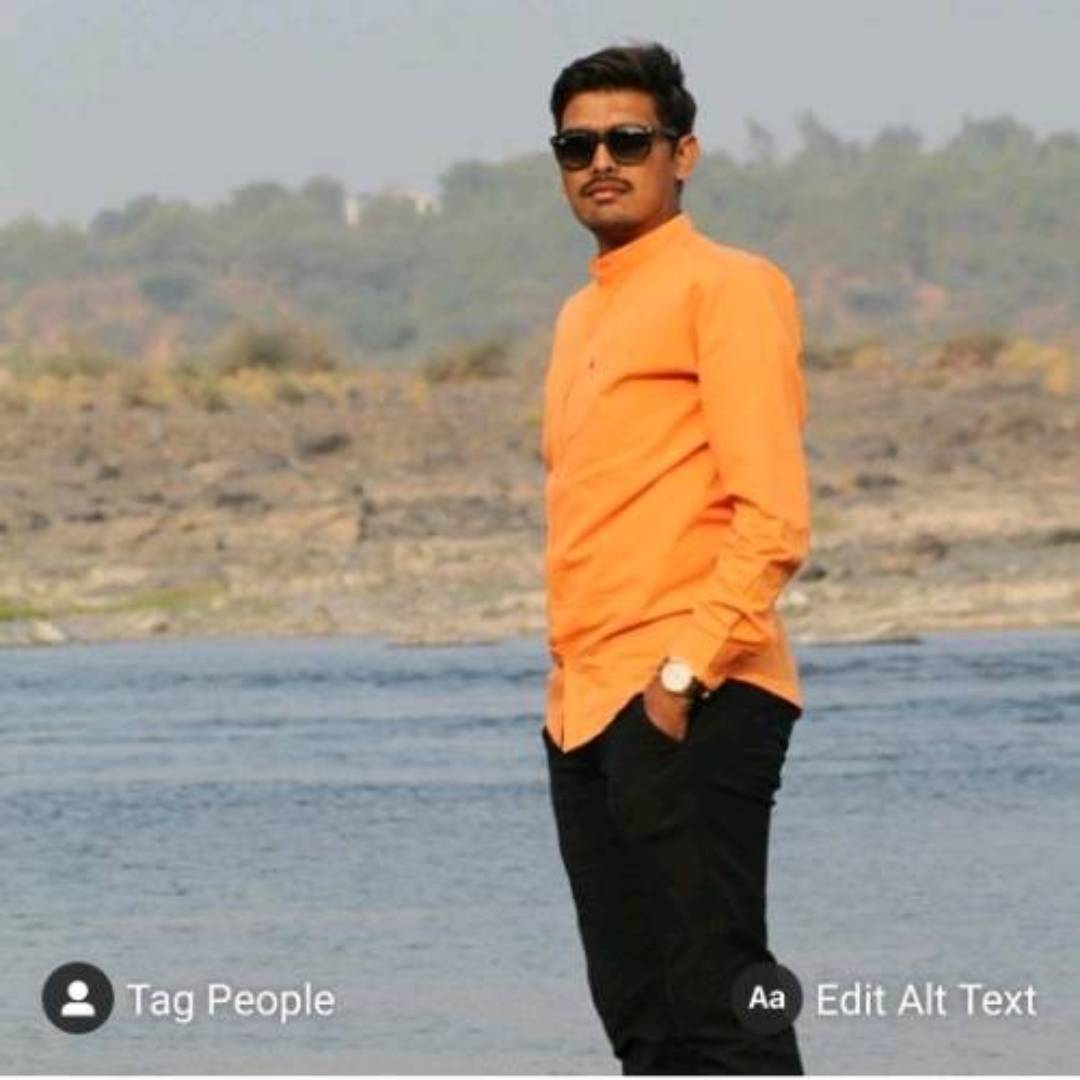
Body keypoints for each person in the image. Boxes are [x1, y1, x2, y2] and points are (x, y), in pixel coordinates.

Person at [539, 42, 810, 1075]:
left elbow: (773, 516)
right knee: (643, 1025)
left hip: (692, 693)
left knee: (720, 1007)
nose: (601, 162)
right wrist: (577, 707)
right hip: (584, 708)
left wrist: (682, 678)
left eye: (627, 140)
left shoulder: (728, 287)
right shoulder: (582, 313)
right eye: (577, 146)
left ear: (681, 154)